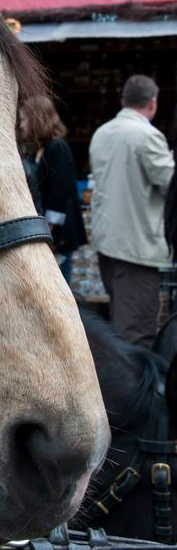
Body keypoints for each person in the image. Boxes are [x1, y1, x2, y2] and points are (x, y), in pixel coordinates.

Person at [89, 75, 175, 347]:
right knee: (135, 334)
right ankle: (128, 390)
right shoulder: (146, 136)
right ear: (152, 102)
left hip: (108, 244)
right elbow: (171, 184)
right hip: (134, 247)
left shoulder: (102, 132)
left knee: (121, 324)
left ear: (123, 100)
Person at [20, 95, 86, 284]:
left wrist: (48, 234)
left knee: (58, 283)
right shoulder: (43, 150)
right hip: (52, 236)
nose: (21, 125)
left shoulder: (58, 148)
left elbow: (60, 193)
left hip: (58, 238)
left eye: (24, 119)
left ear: (36, 119)